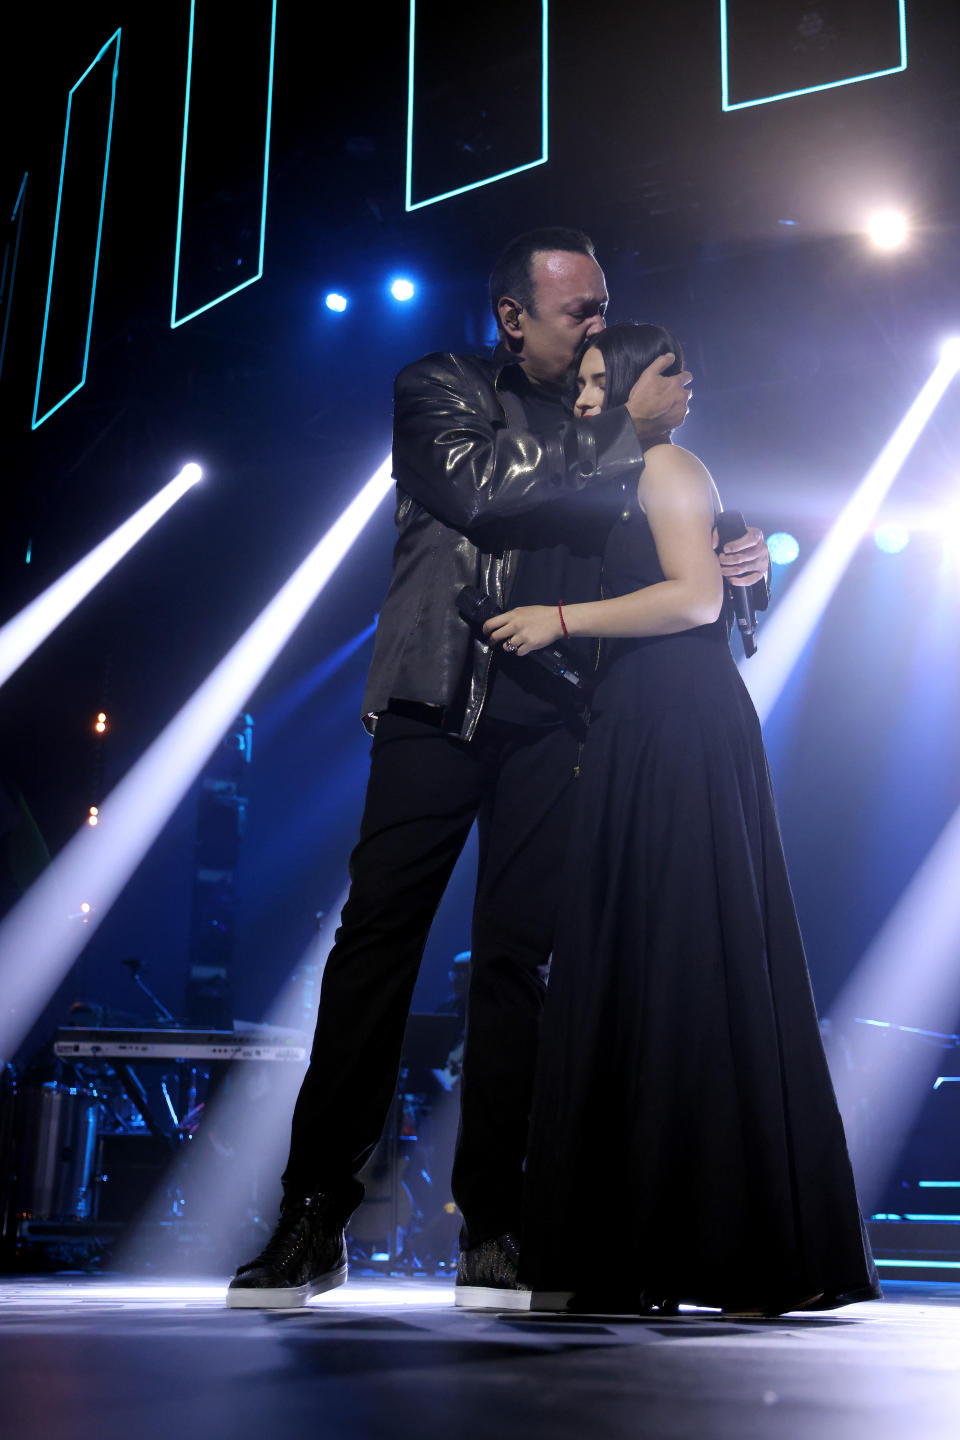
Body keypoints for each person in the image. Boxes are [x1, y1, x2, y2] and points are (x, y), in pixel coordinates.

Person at [227, 233, 769, 1310]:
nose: (597, 329)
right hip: (440, 699)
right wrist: (625, 438)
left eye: (606, 309)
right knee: (378, 945)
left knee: (523, 968)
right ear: (513, 318)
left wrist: (735, 547)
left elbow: (673, 566)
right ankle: (313, 1215)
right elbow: (480, 493)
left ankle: (498, 1222)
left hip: (563, 716)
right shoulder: (441, 387)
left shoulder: (607, 426)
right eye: (577, 312)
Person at [484, 323, 880, 1315]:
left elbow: (698, 601)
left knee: (685, 963)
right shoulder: (618, 480)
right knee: (647, 966)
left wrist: (562, 622)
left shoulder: (669, 462)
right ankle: (646, 1244)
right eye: (666, 368)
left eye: (599, 378)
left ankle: (702, 1243)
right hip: (641, 725)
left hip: (677, 726)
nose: (687, 380)